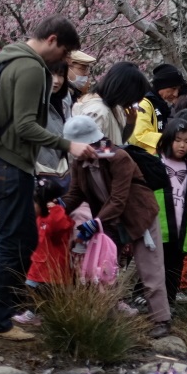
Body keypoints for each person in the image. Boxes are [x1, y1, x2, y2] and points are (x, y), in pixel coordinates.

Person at [0, 15, 97, 341]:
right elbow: (25, 125)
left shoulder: (11, 58)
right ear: (53, 40)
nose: (66, 63)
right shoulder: (29, 68)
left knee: (18, 238)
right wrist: (69, 144)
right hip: (11, 162)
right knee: (15, 242)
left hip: (2, 160)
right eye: (66, 54)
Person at [60, 115, 171, 335]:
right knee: (103, 267)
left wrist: (95, 223)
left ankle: (161, 320)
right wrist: (58, 206)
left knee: (150, 269)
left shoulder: (118, 157)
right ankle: (105, 314)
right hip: (107, 220)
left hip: (139, 216)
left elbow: (118, 199)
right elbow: (76, 193)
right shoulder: (79, 162)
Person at [153, 117, 187, 303]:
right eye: (178, 140)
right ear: (167, 140)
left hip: (181, 233)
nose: (183, 145)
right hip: (157, 230)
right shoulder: (156, 164)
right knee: (152, 269)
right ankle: (146, 304)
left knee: (174, 270)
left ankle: (169, 304)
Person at [72, 61, 149, 146]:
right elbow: (89, 148)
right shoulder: (97, 111)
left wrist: (130, 123)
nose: (132, 102)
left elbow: (117, 141)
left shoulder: (114, 107)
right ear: (124, 91)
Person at [25, 177, 72, 288]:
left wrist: (56, 210)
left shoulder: (56, 216)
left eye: (34, 202)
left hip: (51, 275)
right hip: (37, 268)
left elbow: (59, 228)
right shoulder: (39, 218)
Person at [130, 63, 186, 155]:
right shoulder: (143, 103)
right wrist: (171, 140)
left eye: (178, 90)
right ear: (162, 85)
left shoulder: (159, 104)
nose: (175, 94)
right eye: (173, 88)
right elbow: (139, 135)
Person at [34, 61, 72, 185]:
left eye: (61, 75)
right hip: (38, 170)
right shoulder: (35, 103)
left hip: (56, 170)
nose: (56, 80)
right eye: (52, 74)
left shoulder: (61, 102)